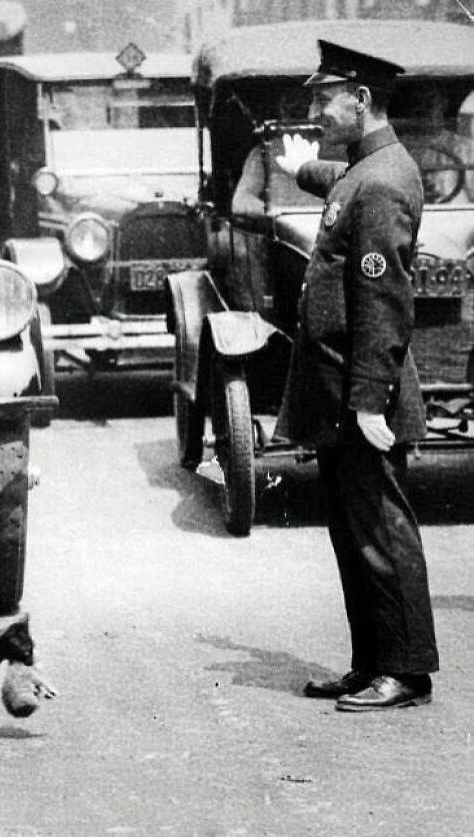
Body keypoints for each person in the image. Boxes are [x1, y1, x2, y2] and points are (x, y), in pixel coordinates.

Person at [273, 40, 439, 711]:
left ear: (360, 99)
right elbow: (338, 183)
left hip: (363, 393)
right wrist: (301, 168)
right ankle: (372, 662)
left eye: (323, 97)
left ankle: (406, 671)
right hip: (342, 390)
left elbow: (385, 302)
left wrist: (370, 401)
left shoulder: (382, 183)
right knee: (354, 531)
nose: (314, 109)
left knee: (381, 532)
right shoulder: (366, 170)